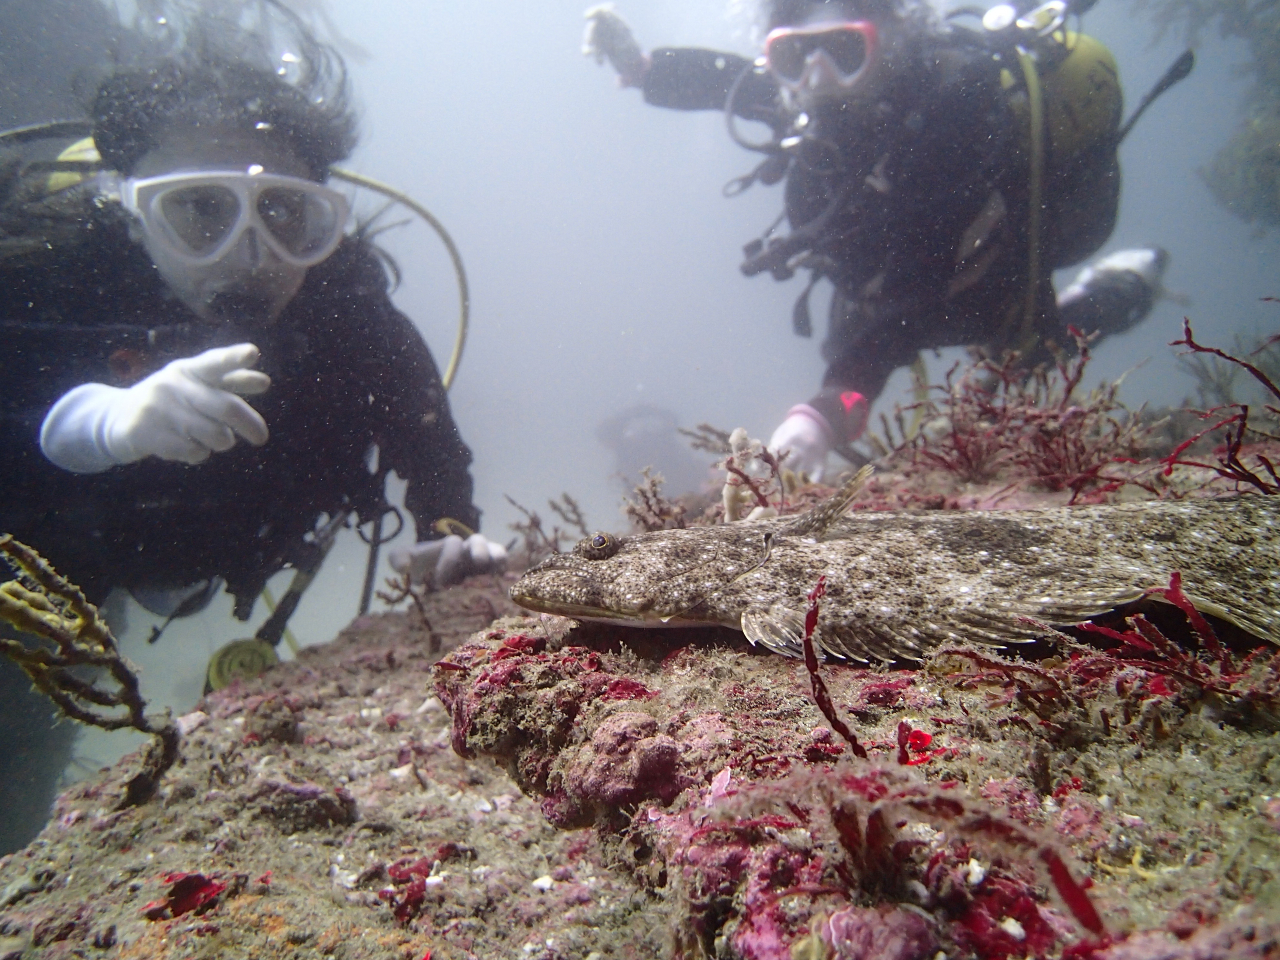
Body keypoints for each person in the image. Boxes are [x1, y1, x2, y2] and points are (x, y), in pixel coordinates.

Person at [0, 11, 503, 851]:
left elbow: (433, 448)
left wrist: (447, 536)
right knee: (35, 708)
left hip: (227, 548)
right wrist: (90, 424)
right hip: (71, 566)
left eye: (285, 215)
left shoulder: (354, 318)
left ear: (324, 220)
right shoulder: (58, 292)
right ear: (130, 211)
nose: (248, 254)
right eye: (197, 211)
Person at [585, 0, 1171, 479]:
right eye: (792, 55)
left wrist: (829, 407)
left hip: (986, 285)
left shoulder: (957, 109)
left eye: (845, 49)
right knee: (863, 376)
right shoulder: (809, 101)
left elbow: (901, 314)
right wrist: (643, 69)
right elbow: (736, 83)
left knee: (1033, 364)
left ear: (892, 40)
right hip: (876, 292)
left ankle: (1124, 284)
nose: (816, 78)